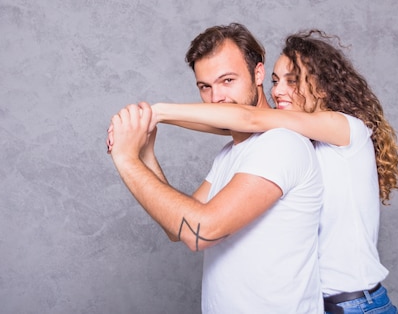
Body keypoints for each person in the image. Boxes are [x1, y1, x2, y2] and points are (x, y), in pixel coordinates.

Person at [148, 28, 398, 314]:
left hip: (357, 305)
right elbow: (228, 124)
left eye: (292, 81)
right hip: (325, 303)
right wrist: (149, 131)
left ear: (322, 86)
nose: (278, 90)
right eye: (275, 80)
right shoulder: (297, 136)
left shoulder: (345, 128)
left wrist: (155, 112)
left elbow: (247, 117)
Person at [108, 23, 325, 314]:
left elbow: (200, 232)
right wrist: (145, 152)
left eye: (227, 81)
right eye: (205, 87)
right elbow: (178, 228)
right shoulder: (230, 154)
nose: (217, 97)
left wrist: (126, 160)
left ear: (258, 74)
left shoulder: (281, 143)